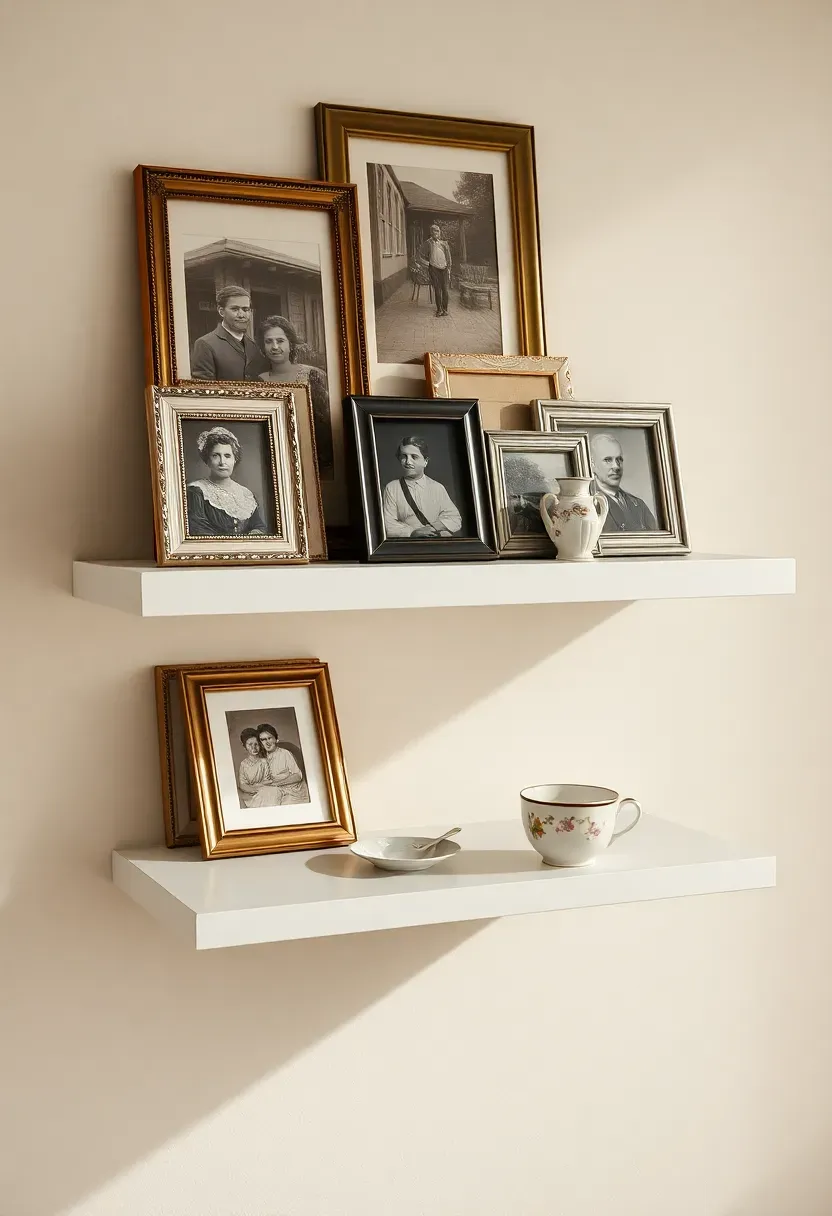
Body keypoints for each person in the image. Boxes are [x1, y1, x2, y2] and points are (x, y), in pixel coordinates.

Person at [257, 314, 332, 475]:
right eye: (268, 341)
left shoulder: (313, 375)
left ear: (290, 344)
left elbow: (326, 424)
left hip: (313, 455)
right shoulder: (260, 381)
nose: (275, 346)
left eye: (280, 341)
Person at [186, 426, 267, 536]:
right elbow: (199, 530)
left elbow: (259, 526)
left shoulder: (246, 494)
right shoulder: (196, 491)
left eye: (227, 456)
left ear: (234, 459)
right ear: (207, 460)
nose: (222, 462)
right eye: (215, 456)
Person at [382, 436, 462, 538]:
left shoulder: (437, 487)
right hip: (407, 545)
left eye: (414, 457)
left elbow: (454, 518)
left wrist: (433, 528)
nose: (408, 462)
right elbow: (388, 523)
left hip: (435, 543)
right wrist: (412, 532)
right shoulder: (392, 488)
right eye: (404, 456)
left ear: (425, 461)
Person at [190, 285, 269, 380]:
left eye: (245, 309)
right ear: (221, 311)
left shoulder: (253, 346)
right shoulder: (205, 344)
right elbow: (204, 390)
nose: (241, 315)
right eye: (235, 309)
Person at [590, 433, 658, 532]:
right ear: (593, 465)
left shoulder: (639, 505)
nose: (616, 466)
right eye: (608, 460)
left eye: (619, 459)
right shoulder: (590, 504)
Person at [257, 723, 309, 805]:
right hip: (278, 791)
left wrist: (276, 784)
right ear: (260, 743)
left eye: (269, 738)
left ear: (275, 739)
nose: (267, 742)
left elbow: (298, 776)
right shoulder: (262, 758)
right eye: (263, 739)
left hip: (294, 793)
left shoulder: (284, 753)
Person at [418, 223, 452, 317]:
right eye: (434, 231)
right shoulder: (427, 243)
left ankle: (445, 309)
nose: (436, 233)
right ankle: (439, 310)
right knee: (437, 289)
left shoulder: (444, 244)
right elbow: (420, 255)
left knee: (445, 289)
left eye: (437, 231)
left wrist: (449, 269)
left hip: (444, 269)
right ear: (431, 233)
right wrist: (427, 264)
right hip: (434, 269)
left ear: (440, 232)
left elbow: (449, 258)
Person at [237, 728, 273, 808]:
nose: (254, 747)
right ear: (244, 746)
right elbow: (242, 785)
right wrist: (254, 789)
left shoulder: (264, 762)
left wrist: (258, 786)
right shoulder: (243, 764)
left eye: (256, 744)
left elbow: (268, 781)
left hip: (264, 792)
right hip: (250, 796)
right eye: (250, 745)